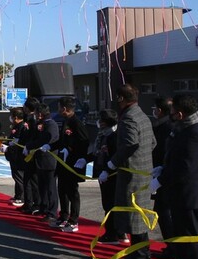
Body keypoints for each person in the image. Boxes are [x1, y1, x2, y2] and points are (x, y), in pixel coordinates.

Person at [152, 94, 198, 259]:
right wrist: (162, 168)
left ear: (180, 114)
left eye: (172, 113)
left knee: (192, 238)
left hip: (190, 194)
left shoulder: (195, 133)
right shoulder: (184, 129)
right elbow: (176, 158)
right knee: (180, 236)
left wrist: (160, 180)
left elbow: (185, 167)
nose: (170, 115)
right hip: (179, 193)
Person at [102, 83, 155, 259]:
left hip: (132, 173)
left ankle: (140, 254)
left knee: (134, 216)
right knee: (138, 215)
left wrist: (112, 163)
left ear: (121, 99)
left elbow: (130, 145)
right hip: (143, 170)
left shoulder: (129, 118)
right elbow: (152, 143)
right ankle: (140, 252)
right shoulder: (143, 115)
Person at [50, 96, 90, 233]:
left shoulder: (76, 123)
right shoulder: (66, 121)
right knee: (62, 190)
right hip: (63, 163)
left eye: (60, 107)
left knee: (72, 192)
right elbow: (62, 141)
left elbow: (84, 141)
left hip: (73, 164)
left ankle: (74, 220)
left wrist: (71, 150)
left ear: (65, 109)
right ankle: (64, 216)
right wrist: (50, 146)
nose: (58, 110)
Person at [93, 109, 127, 244]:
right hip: (104, 172)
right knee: (110, 203)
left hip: (111, 174)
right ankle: (119, 232)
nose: (98, 122)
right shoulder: (103, 134)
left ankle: (113, 233)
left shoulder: (113, 136)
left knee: (110, 204)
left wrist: (107, 170)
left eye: (100, 120)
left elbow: (114, 155)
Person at [150, 96, 175, 259]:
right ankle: (171, 246)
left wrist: (161, 173)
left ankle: (173, 248)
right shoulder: (165, 126)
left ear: (160, 110)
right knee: (163, 211)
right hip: (161, 173)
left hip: (166, 178)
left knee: (164, 212)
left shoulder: (167, 128)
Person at [26, 103, 59, 223]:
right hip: (40, 160)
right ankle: (43, 207)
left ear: (40, 114)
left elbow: (45, 140)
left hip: (49, 160)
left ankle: (52, 211)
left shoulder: (51, 124)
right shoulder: (42, 124)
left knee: (50, 188)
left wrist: (30, 145)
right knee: (42, 186)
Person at [17, 98, 40, 214]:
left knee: (32, 180)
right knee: (27, 179)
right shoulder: (28, 119)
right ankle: (28, 202)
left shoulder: (33, 120)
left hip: (31, 153)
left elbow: (32, 135)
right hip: (26, 151)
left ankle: (35, 203)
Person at [4, 107, 26, 205]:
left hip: (18, 155)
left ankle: (21, 197)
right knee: (15, 176)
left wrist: (9, 147)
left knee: (19, 177)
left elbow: (18, 142)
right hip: (12, 155)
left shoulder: (22, 126)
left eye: (12, 116)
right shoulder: (15, 126)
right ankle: (17, 195)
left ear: (16, 117)